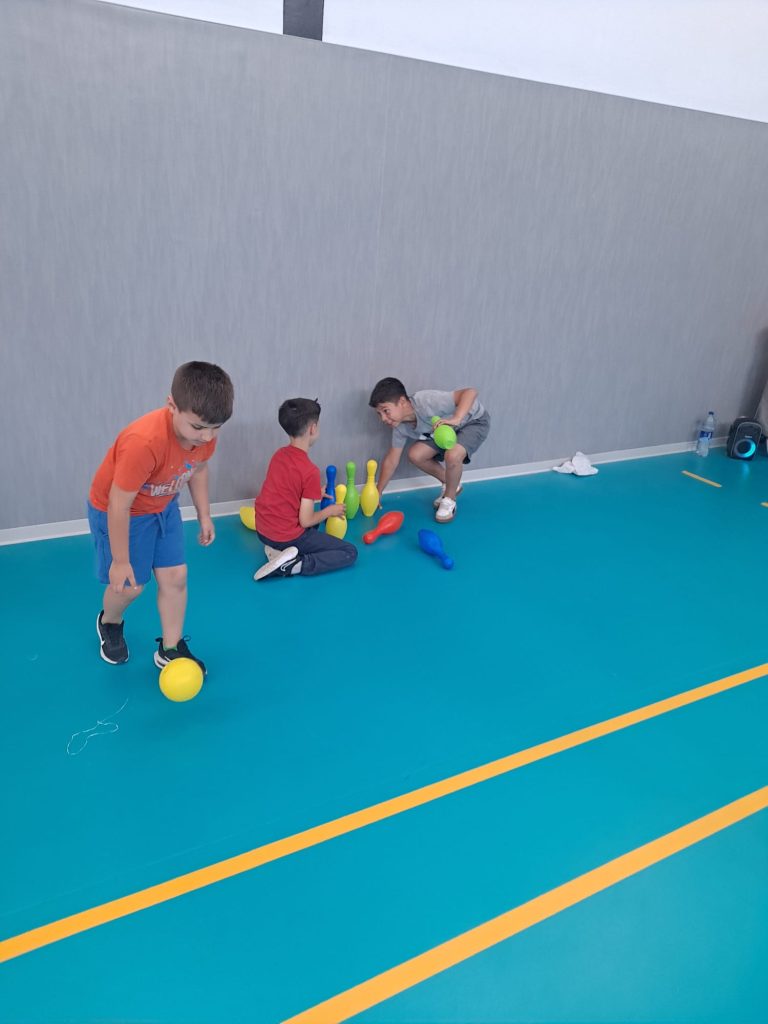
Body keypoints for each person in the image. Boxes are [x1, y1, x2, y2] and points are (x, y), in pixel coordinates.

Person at [88, 361, 234, 671]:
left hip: (163, 505)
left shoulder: (204, 435)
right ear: (172, 406)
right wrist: (120, 561)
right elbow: (118, 504)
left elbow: (198, 470)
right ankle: (109, 622)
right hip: (122, 511)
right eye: (198, 427)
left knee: (176, 577)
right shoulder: (144, 443)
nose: (207, 436)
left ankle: (170, 647)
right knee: (131, 586)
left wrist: (204, 514)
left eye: (216, 427)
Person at [254, 398, 357, 580]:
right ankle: (296, 565)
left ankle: (277, 552)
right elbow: (306, 521)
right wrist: (329, 511)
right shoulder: (310, 471)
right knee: (350, 552)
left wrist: (315, 492)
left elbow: (285, 489)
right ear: (313, 428)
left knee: (312, 524)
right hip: (285, 536)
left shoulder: (279, 455)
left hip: (262, 531)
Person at [369, 377, 490, 522]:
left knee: (452, 455)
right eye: (379, 414)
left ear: (402, 402)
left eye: (385, 411)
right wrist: (378, 492)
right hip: (444, 433)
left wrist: (457, 418)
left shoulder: (426, 401)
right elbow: (391, 460)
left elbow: (470, 392)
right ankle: (452, 484)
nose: (383, 418)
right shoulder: (400, 427)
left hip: (473, 422)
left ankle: (449, 499)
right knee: (415, 454)